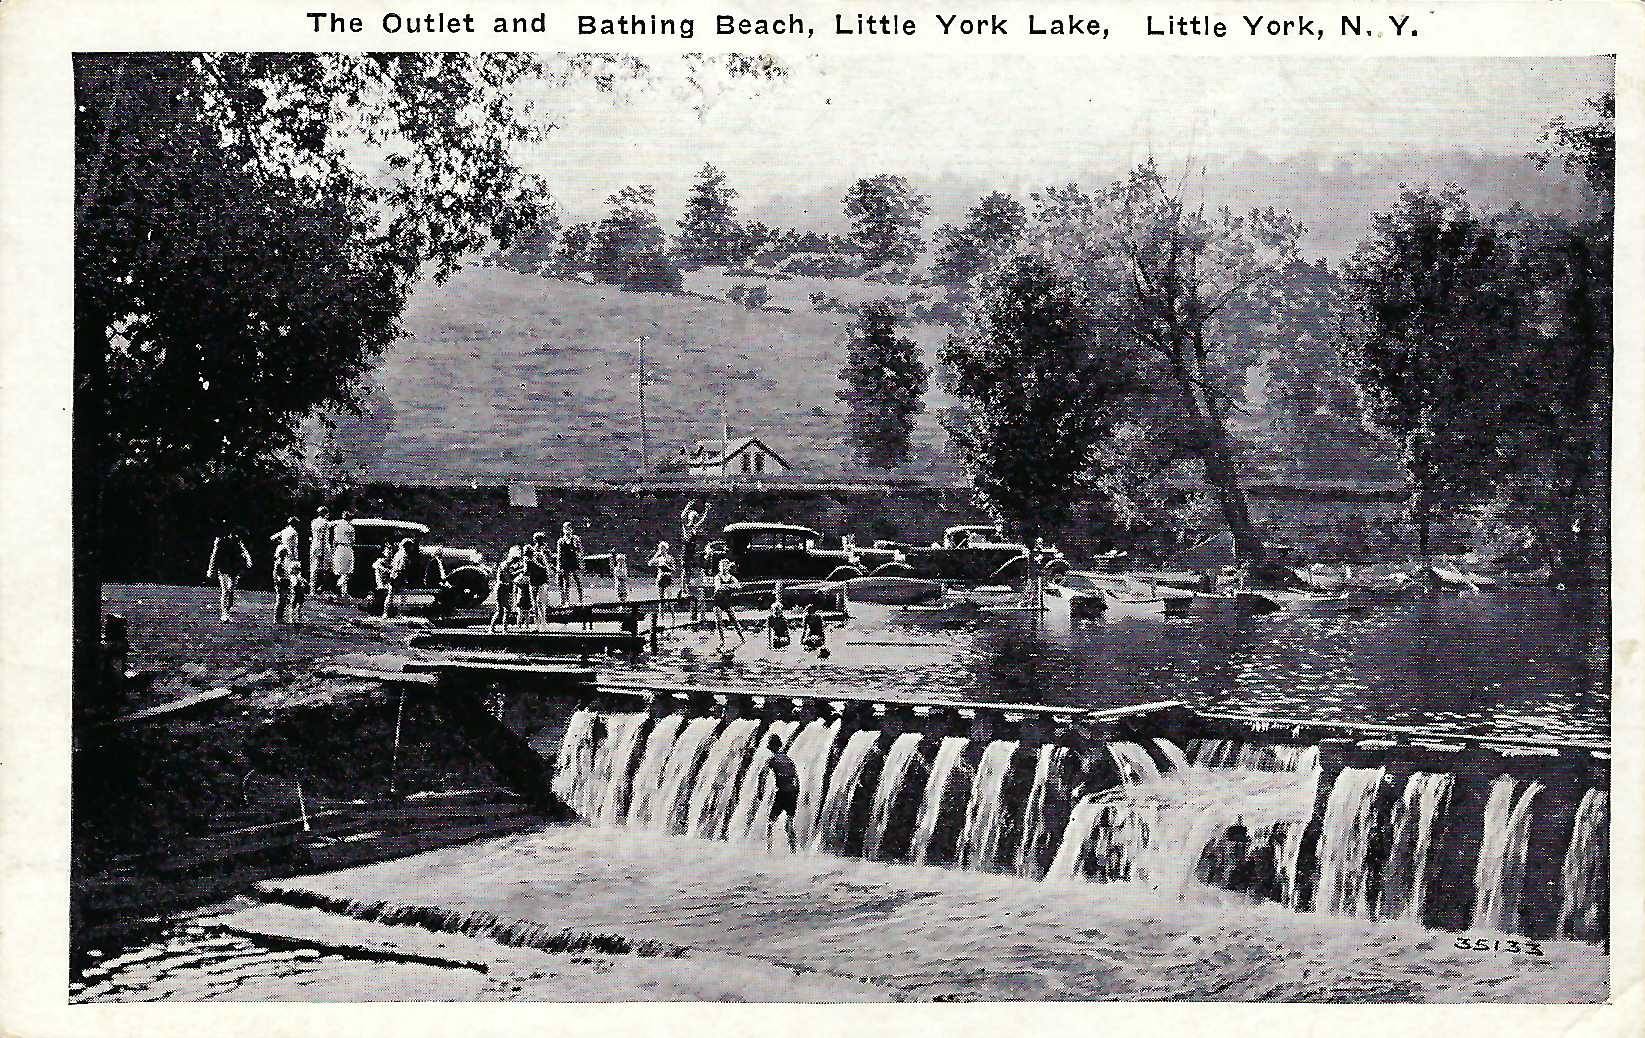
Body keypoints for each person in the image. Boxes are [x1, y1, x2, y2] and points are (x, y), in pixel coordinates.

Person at [205, 524, 253, 621]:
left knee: (231, 591)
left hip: (234, 569)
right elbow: (214, 556)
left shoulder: (237, 541)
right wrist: (211, 569)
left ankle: (227, 610)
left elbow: (244, 550)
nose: (238, 537)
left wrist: (248, 559)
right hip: (224, 569)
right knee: (225, 590)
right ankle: (224, 614)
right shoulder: (220, 541)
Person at [763, 733, 800, 854]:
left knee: (770, 822)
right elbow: (796, 778)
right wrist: (796, 794)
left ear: (773, 746)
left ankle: (769, 851)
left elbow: (762, 775)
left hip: (782, 794)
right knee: (789, 824)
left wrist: (760, 790)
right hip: (792, 794)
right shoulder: (789, 760)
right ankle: (793, 851)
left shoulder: (773, 760)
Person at [489, 544, 526, 633]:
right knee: (500, 610)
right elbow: (509, 577)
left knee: (507, 609)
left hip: (506, 588)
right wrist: (520, 571)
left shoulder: (508, 566)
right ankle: (492, 628)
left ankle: (504, 629)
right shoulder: (505, 565)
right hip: (502, 588)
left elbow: (511, 575)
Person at [711, 558, 745, 647]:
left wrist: (728, 586)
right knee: (718, 621)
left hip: (727, 601)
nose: (723, 568)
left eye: (725, 566)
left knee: (734, 619)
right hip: (718, 601)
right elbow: (719, 587)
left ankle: (742, 637)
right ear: (719, 567)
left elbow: (738, 586)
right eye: (722, 566)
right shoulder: (717, 577)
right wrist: (731, 586)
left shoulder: (731, 577)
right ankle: (722, 640)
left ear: (728, 567)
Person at [526, 532, 553, 627]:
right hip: (541, 579)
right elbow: (547, 564)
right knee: (541, 602)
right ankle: (543, 623)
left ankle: (538, 623)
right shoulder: (542, 550)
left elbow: (528, 569)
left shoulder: (533, 551)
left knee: (536, 602)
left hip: (535, 579)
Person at [556, 521, 585, 606]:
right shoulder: (560, 541)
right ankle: (567, 601)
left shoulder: (575, 538)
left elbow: (580, 551)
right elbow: (559, 554)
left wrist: (576, 548)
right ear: (563, 530)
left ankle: (580, 600)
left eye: (569, 528)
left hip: (574, 562)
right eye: (566, 528)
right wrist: (559, 566)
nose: (568, 530)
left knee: (578, 581)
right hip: (565, 563)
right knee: (566, 582)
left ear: (572, 529)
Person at [330, 511, 358, 596]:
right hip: (346, 548)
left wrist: (333, 550)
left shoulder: (337, 526)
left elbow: (334, 541)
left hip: (338, 549)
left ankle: (343, 591)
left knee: (340, 571)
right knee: (347, 571)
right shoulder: (350, 527)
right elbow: (353, 541)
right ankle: (340, 588)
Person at [648, 541, 677, 618]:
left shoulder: (670, 558)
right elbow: (649, 563)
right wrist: (656, 555)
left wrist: (667, 566)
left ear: (666, 549)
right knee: (660, 597)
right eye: (660, 548)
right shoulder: (659, 558)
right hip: (660, 578)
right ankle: (661, 615)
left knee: (669, 596)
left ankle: (673, 614)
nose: (661, 550)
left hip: (668, 577)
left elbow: (674, 569)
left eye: (663, 548)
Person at [308, 507, 332, 593]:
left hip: (314, 546)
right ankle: (323, 588)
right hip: (322, 547)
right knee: (326, 568)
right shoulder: (325, 523)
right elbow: (322, 537)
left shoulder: (313, 521)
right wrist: (321, 552)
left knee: (314, 567)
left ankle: (312, 590)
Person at [272, 541, 295, 624]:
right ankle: (277, 617)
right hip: (281, 583)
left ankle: (281, 617)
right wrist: (278, 582)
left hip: (285, 581)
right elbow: (276, 574)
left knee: (284, 600)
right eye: (283, 553)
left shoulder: (285, 563)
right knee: (280, 600)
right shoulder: (278, 563)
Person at [371, 550, 393, 617]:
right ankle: (375, 612)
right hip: (380, 583)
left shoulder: (391, 561)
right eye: (387, 552)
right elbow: (374, 565)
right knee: (379, 598)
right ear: (383, 553)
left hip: (387, 583)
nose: (389, 553)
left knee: (386, 598)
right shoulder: (380, 561)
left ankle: (384, 613)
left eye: (390, 552)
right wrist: (386, 570)